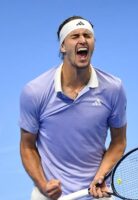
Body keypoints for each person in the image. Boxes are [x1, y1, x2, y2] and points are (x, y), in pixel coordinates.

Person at [19, 16, 127, 200]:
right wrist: (43, 185)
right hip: (49, 194)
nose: (83, 40)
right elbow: (27, 146)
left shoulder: (113, 89)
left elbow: (118, 141)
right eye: (75, 36)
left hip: (96, 192)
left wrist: (101, 175)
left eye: (87, 35)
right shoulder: (35, 91)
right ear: (63, 46)